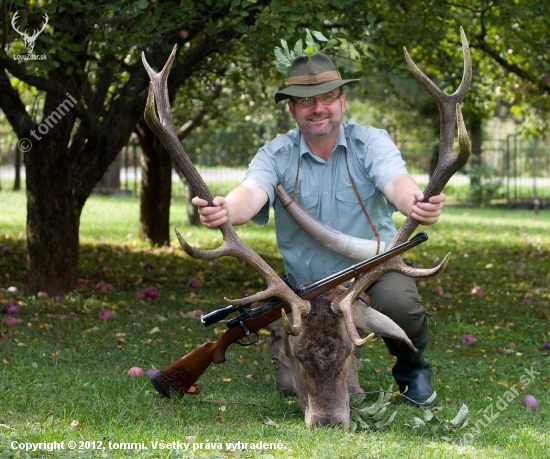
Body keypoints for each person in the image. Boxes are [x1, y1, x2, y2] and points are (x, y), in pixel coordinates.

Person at [192, 53, 445, 406]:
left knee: (400, 302)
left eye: (327, 97)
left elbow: (396, 181)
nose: (318, 108)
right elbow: (251, 192)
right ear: (292, 109)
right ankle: (307, 347)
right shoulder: (275, 154)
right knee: (288, 383)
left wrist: (415, 201)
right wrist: (226, 210)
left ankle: (413, 370)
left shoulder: (371, 142)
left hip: (370, 275)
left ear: (342, 101)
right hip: (306, 292)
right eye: (306, 101)